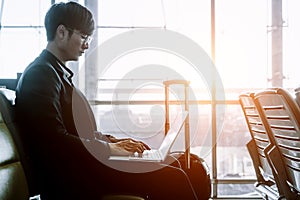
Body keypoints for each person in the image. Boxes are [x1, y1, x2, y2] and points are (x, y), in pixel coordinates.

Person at [15, 2, 197, 200]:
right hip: (72, 179)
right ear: (61, 32)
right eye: (83, 37)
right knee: (174, 177)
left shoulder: (55, 73)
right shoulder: (41, 74)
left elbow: (77, 133)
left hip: (81, 169)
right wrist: (109, 149)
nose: (87, 44)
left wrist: (114, 142)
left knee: (172, 165)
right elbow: (52, 139)